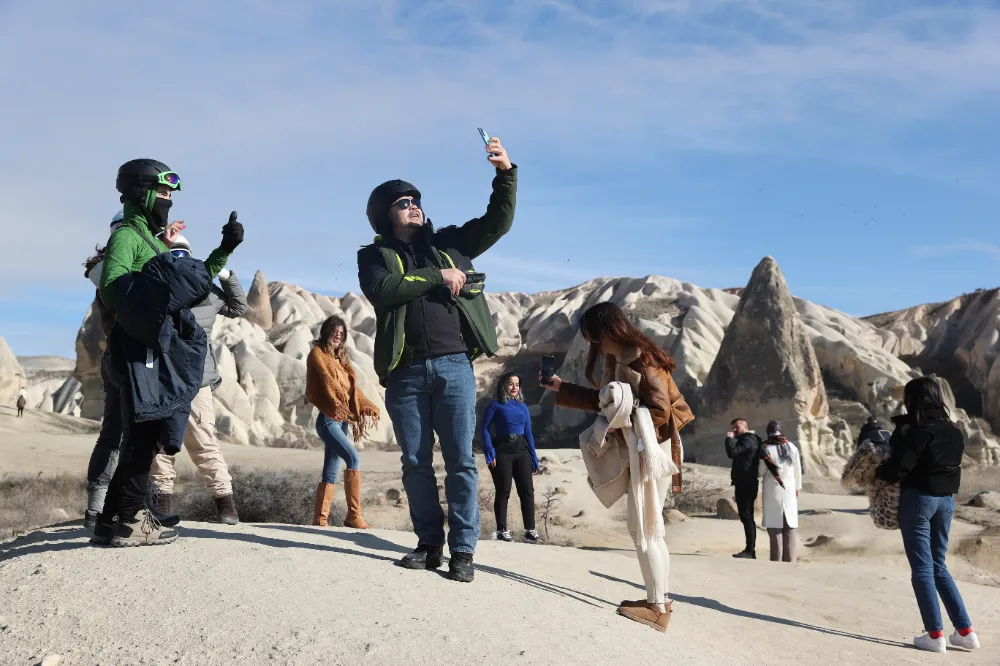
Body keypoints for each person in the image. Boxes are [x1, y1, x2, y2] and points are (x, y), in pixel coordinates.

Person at [357, 135, 516, 583]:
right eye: (403, 202)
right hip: (405, 373)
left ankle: (463, 550)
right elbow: (384, 290)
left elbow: (497, 222)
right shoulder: (375, 256)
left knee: (461, 462)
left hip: (454, 366)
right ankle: (429, 544)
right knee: (415, 462)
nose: (414, 206)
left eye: (417, 200)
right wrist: (437, 277)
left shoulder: (450, 243)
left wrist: (505, 173)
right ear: (385, 214)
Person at [92, 158, 242, 547]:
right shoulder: (127, 235)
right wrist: (153, 301)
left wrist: (224, 250)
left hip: (150, 347)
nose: (168, 199)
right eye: (162, 192)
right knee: (144, 436)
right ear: (141, 192)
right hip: (140, 347)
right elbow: (111, 287)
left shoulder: (152, 239)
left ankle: (110, 522)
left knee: (142, 436)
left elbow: (192, 284)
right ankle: (130, 521)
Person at [541, 301, 694, 632]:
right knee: (648, 528)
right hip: (645, 447)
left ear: (607, 331)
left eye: (592, 336)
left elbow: (659, 412)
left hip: (651, 449)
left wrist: (620, 416)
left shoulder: (643, 359)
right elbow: (606, 402)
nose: (593, 344)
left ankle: (657, 608)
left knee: (645, 529)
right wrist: (562, 390)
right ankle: (659, 600)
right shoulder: (621, 358)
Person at [148, 233, 247, 526]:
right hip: (198, 378)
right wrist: (226, 275)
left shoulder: (157, 287)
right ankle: (226, 508)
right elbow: (239, 307)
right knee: (205, 445)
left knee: (161, 446)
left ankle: (162, 506)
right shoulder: (206, 290)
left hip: (164, 378)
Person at [876, 377, 981, 653]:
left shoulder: (912, 430)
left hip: (918, 500)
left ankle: (935, 635)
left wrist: (876, 470)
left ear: (912, 400)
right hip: (946, 502)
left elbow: (898, 470)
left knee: (922, 569)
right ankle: (965, 631)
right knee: (939, 566)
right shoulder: (954, 430)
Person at [305, 315, 380, 529]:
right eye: (335, 332)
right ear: (326, 332)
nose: (338, 336)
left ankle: (320, 519)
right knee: (353, 458)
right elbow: (328, 384)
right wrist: (339, 399)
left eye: (341, 333)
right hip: (329, 420)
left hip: (343, 420)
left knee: (331, 468)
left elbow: (351, 390)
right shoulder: (317, 354)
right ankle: (353, 515)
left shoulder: (341, 360)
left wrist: (364, 404)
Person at [481, 371, 540, 543]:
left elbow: (528, 432)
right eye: (510, 384)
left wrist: (533, 457)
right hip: (502, 451)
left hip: (522, 450)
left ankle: (530, 529)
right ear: (503, 385)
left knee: (527, 491)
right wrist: (490, 451)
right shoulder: (495, 405)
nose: (514, 387)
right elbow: (484, 429)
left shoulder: (523, 407)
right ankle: (502, 530)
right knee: (503, 491)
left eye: (517, 384)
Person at [725, 418, 781, 559]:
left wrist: (728, 439)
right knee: (746, 516)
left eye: (737, 427)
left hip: (746, 483)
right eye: (732, 428)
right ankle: (750, 550)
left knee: (747, 517)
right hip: (746, 482)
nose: (734, 430)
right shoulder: (751, 439)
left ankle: (750, 551)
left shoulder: (748, 440)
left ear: (745, 426)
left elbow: (732, 453)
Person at [759, 420, 802, 563]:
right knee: (789, 525)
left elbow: (761, 470)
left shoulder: (765, 448)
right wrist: (797, 488)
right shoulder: (791, 446)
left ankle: (776, 561)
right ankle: (790, 561)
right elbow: (798, 471)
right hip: (789, 487)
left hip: (772, 487)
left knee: (775, 525)